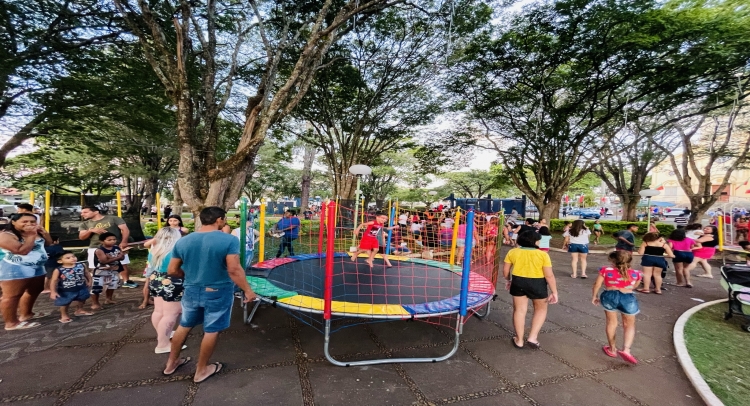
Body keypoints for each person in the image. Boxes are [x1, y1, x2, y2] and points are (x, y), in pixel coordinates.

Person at [162, 207, 257, 382]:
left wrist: (188, 276)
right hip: (218, 291)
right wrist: (248, 290)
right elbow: (234, 269)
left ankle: (171, 364)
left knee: (184, 325)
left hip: (191, 290)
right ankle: (201, 370)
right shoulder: (228, 240)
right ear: (219, 219)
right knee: (212, 329)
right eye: (224, 219)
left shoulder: (184, 241)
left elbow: (172, 270)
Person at [503, 230, 558, 349]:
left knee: (519, 310)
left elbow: (506, 271)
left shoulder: (513, 252)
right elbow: (549, 275)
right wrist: (554, 291)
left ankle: (519, 340)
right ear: (535, 241)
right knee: (540, 310)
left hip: (518, 282)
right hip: (537, 283)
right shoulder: (543, 255)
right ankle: (532, 338)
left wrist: (508, 280)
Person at [0, 213, 52, 330]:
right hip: (15, 268)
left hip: (37, 267)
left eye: (32, 222)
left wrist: (45, 234)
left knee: (34, 290)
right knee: (12, 296)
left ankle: (26, 314)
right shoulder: (6, 235)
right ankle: (11, 323)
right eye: (25, 222)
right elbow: (22, 251)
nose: (29, 224)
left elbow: (48, 244)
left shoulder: (36, 232)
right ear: (13, 222)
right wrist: (31, 235)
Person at [591, 251, 642, 365]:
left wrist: (595, 296)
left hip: (610, 296)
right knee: (629, 324)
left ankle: (612, 349)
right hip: (628, 298)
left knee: (611, 322)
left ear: (613, 261)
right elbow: (634, 286)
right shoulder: (636, 273)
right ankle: (626, 350)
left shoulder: (605, 270)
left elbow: (597, 284)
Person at [78, 206, 137, 289]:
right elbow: (81, 237)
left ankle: (126, 281)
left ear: (96, 212)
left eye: (85, 212)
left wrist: (124, 242)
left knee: (123, 263)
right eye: (82, 212)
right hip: (95, 247)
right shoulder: (85, 224)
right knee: (95, 266)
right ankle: (97, 283)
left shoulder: (113, 218)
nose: (82, 214)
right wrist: (91, 230)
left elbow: (125, 230)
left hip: (115, 245)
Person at [147, 227, 184, 353]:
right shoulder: (176, 251)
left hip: (156, 279)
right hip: (172, 281)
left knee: (159, 311)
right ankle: (163, 344)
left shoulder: (154, 250)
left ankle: (162, 336)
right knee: (171, 314)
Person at [49, 251, 93, 323]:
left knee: (83, 298)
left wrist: (89, 281)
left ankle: (80, 309)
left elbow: (87, 273)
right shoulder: (58, 270)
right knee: (65, 302)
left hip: (81, 287)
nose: (72, 258)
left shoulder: (81, 265)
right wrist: (53, 291)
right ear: (60, 261)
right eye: (68, 258)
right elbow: (53, 281)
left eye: (73, 256)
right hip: (66, 290)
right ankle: (64, 315)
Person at [91, 232, 128, 309]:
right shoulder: (99, 250)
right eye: (109, 240)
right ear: (102, 241)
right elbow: (104, 261)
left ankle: (108, 299)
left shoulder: (117, 248)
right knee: (97, 287)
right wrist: (117, 257)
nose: (113, 241)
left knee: (112, 285)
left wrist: (111, 258)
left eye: (114, 239)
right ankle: (95, 303)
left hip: (114, 270)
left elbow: (122, 257)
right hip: (101, 272)